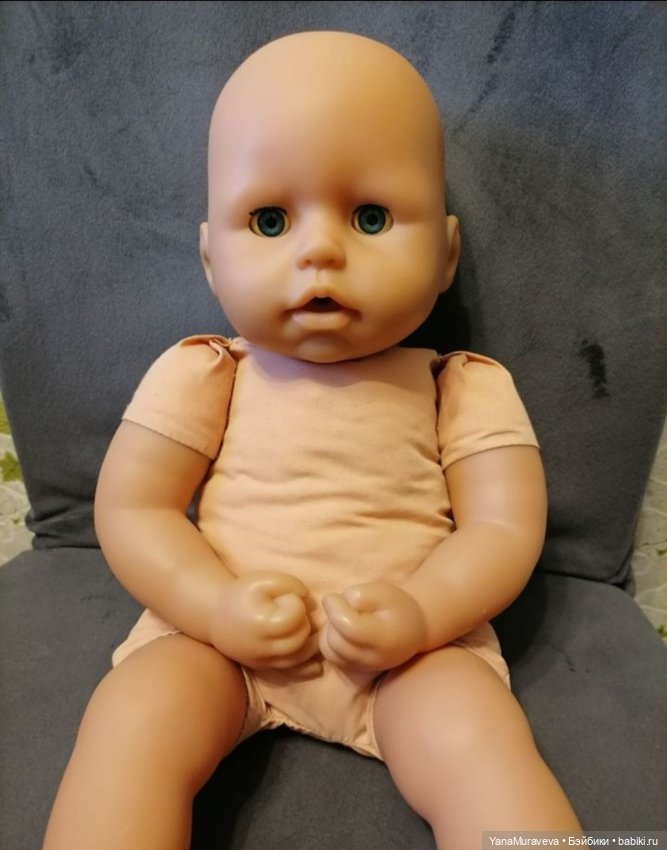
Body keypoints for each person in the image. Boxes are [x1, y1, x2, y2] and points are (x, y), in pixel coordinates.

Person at [43, 30, 582, 850]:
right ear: (211, 260)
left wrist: (422, 613)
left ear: (444, 254)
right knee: (133, 719)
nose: (320, 250)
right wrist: (212, 606)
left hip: (410, 653)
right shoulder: (206, 372)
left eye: (370, 217)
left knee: (476, 742)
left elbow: (503, 529)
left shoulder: (462, 385)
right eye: (269, 220)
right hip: (218, 645)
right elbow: (133, 509)